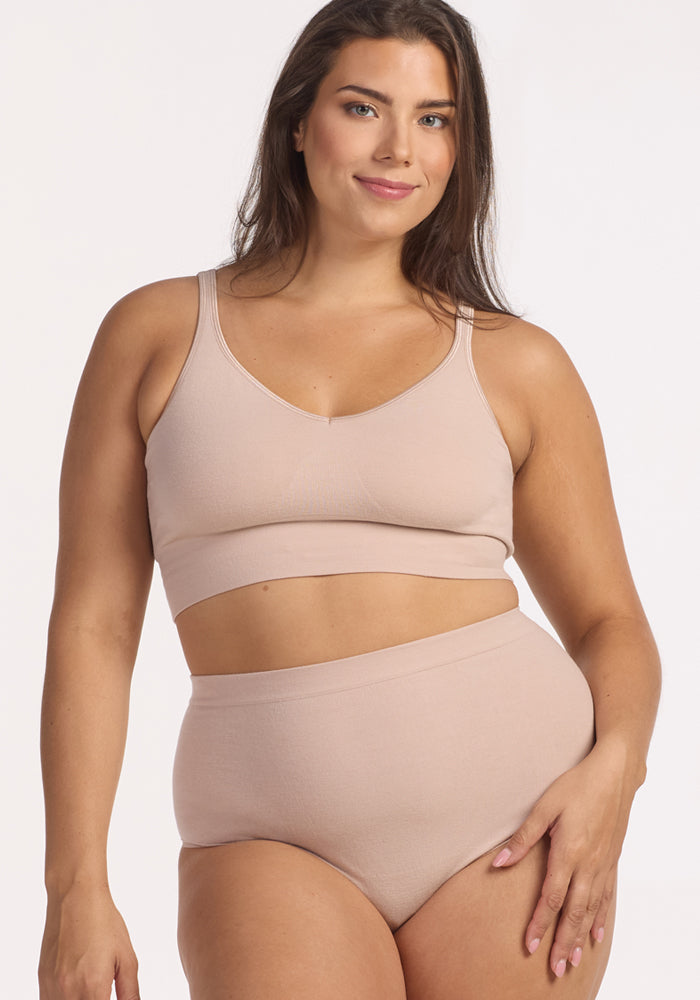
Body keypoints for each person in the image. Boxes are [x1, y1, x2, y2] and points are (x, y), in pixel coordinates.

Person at [38, 0, 661, 997]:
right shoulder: (154, 335)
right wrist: (75, 885)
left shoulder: (516, 365)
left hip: (511, 829)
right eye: (363, 107)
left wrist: (613, 774)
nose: (397, 149)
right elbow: (95, 625)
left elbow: (610, 621)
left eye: (433, 118)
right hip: (267, 839)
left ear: (462, 147)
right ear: (299, 120)